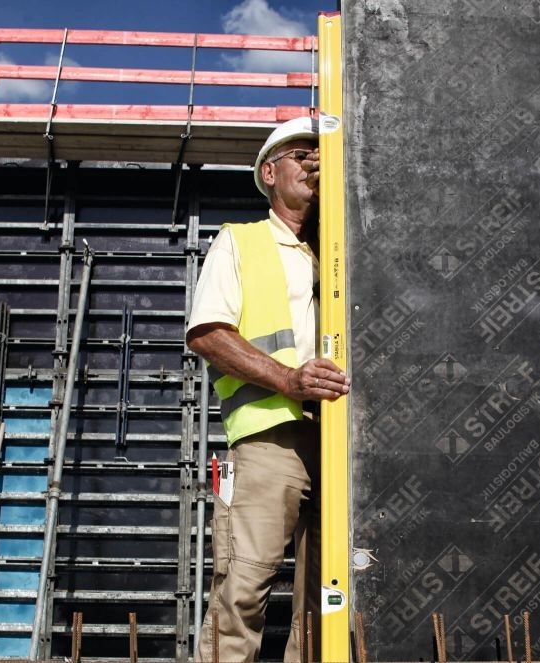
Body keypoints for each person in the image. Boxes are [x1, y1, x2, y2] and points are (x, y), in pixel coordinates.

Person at [187, 116, 351, 662]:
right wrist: (288, 379)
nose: (313, 164)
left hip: (341, 441)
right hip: (268, 439)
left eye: (320, 156)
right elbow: (208, 333)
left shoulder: (341, 249)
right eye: (300, 155)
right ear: (269, 173)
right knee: (244, 583)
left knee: (326, 599)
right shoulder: (242, 241)